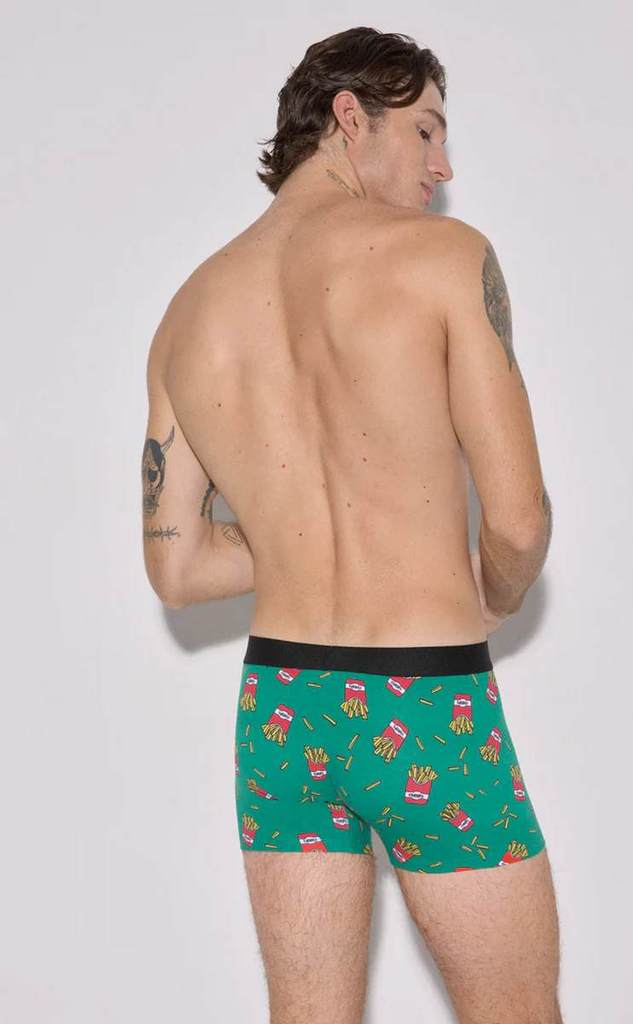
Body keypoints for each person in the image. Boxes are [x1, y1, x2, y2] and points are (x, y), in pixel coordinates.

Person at [141, 25, 562, 1024]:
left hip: (282, 711)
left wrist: (296, 535)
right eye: (426, 130)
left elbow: (178, 567)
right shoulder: (446, 259)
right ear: (347, 117)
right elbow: (516, 522)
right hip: (428, 698)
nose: (441, 165)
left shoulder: (191, 309)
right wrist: (492, 596)